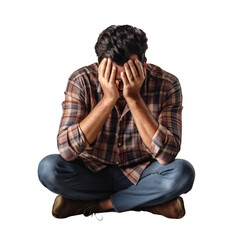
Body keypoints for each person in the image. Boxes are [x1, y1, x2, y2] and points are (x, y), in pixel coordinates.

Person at [38, 25, 195, 219]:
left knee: (182, 173)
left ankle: (96, 204)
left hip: (143, 173)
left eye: (128, 74)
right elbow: (67, 151)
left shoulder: (167, 84)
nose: (120, 83)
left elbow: (166, 155)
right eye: (113, 75)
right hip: (92, 172)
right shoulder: (81, 80)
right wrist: (108, 99)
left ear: (143, 64)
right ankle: (148, 203)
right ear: (100, 65)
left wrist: (134, 98)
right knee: (49, 169)